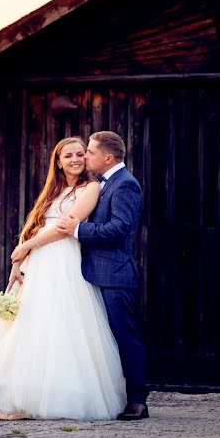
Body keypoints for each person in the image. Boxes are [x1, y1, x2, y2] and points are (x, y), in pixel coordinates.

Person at [0, 137, 127, 420]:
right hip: (40, 262)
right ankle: (24, 394)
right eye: (69, 155)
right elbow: (35, 226)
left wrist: (28, 246)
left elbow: (65, 228)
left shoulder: (91, 188)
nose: (76, 159)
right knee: (34, 325)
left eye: (81, 153)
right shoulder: (54, 191)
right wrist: (20, 262)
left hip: (65, 260)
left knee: (65, 324)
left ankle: (64, 397)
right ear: (58, 161)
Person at [56, 131, 149, 421]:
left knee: (125, 337)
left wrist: (78, 230)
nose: (85, 157)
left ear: (107, 158)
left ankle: (138, 401)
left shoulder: (125, 185)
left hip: (115, 275)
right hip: (94, 273)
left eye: (91, 152)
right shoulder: (103, 183)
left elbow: (119, 228)